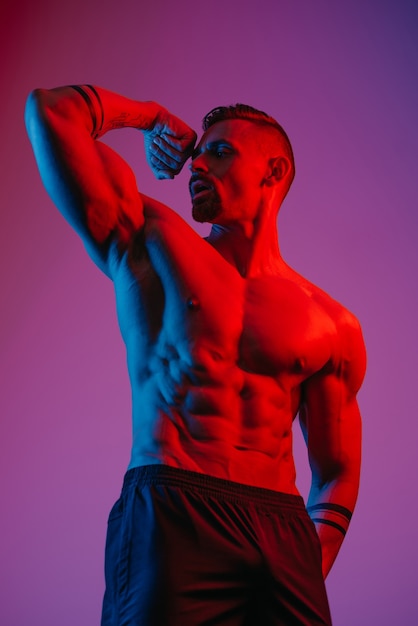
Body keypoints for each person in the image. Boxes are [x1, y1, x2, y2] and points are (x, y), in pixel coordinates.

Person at [25, 84, 366, 626]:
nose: (196, 163)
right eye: (198, 152)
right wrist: (151, 118)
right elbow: (51, 113)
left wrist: (307, 563)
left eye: (221, 151)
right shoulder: (153, 242)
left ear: (272, 173)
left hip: (281, 525)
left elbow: (337, 470)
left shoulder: (331, 321)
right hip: (175, 506)